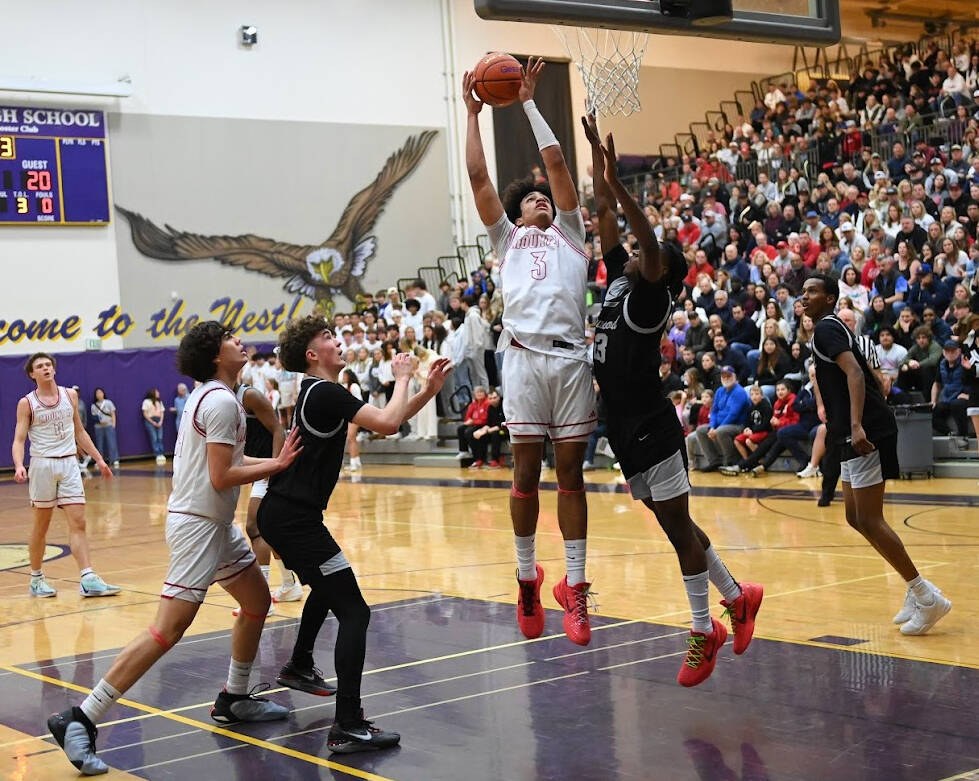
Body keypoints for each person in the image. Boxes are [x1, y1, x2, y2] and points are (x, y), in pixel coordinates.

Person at [46, 323, 303, 775]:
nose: (239, 341)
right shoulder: (220, 401)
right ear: (213, 355)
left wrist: (274, 460)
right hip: (198, 526)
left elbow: (230, 465)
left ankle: (234, 698)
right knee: (167, 630)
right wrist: (278, 463)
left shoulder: (216, 395)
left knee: (257, 601)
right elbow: (223, 476)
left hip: (211, 523)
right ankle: (81, 718)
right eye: (229, 338)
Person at [585, 120, 761, 686]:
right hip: (620, 423)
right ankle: (737, 596)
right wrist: (599, 167)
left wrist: (623, 184)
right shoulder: (618, 279)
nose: (633, 252)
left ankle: (701, 626)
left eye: (645, 253)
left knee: (679, 530)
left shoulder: (651, 294)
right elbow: (606, 218)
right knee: (673, 526)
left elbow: (638, 231)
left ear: (663, 273)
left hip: (650, 425)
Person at [256, 315, 451, 754]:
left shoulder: (319, 393)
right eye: (327, 336)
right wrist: (404, 376)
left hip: (291, 515)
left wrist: (426, 391)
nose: (336, 340)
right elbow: (385, 422)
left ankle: (301, 662)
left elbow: (390, 417)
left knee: (329, 587)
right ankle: (347, 723)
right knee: (355, 613)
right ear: (312, 354)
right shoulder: (325, 391)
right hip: (293, 518)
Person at [463, 59, 597, 644]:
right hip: (521, 357)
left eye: (547, 197)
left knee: (570, 474)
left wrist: (527, 102)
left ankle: (576, 585)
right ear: (519, 213)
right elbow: (478, 180)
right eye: (534, 199)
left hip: (570, 360)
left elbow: (557, 163)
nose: (543, 198)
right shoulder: (509, 240)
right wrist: (471, 115)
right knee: (523, 472)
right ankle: (525, 577)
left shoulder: (571, 232)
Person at [802, 274, 951, 634]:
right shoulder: (834, 328)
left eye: (812, 291)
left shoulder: (826, 329)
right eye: (803, 291)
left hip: (862, 431)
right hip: (852, 429)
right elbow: (865, 370)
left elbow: (854, 373)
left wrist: (857, 424)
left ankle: (925, 596)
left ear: (830, 297)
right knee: (855, 517)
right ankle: (916, 589)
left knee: (870, 518)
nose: (804, 296)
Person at [12, 354, 120, 600]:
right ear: (32, 374)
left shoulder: (70, 395)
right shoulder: (26, 403)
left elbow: (80, 432)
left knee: (79, 522)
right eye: (40, 366)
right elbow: (19, 439)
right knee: (41, 526)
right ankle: (37, 579)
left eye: (48, 364)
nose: (46, 368)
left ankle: (88, 577)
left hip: (69, 464)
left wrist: (100, 459)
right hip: (42, 466)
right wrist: (19, 465)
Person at [230, 374, 300, 618]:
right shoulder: (221, 398)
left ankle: (263, 600)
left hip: (270, 468)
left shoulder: (249, 395)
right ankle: (290, 585)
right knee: (270, 531)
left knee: (254, 527)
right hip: (257, 467)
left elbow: (278, 430)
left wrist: (274, 467)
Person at [470, 388, 507, 468]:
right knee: (480, 435)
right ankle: (480, 459)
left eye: (494, 398)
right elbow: (488, 424)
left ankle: (495, 460)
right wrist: (481, 430)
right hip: (493, 430)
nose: (493, 400)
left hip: (505, 431)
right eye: (490, 398)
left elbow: (501, 424)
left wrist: (487, 430)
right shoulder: (490, 408)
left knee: (495, 434)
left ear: (499, 397)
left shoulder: (504, 406)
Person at [90, 388, 119, 469]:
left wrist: (113, 424)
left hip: (109, 425)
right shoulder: (93, 405)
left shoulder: (108, 402)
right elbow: (94, 417)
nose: (99, 394)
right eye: (97, 393)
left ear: (103, 393)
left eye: (100, 392)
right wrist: (99, 422)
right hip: (98, 427)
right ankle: (100, 461)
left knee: (112, 443)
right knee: (99, 444)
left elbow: (113, 414)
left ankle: (114, 459)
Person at [142, 389, 166, 464]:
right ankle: (157, 454)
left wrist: (161, 421)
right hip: (150, 420)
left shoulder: (159, 402)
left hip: (158, 420)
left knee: (160, 437)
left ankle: (162, 453)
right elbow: (145, 413)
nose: (158, 393)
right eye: (157, 392)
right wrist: (152, 422)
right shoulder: (146, 402)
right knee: (154, 438)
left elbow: (162, 412)